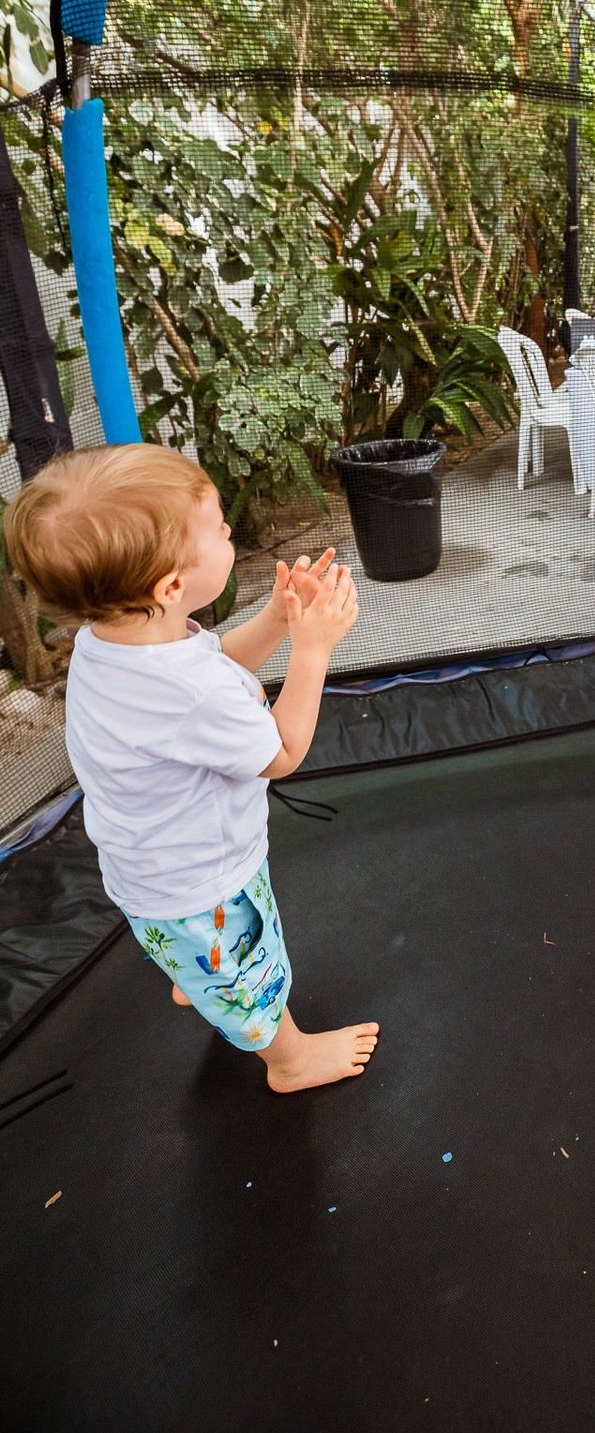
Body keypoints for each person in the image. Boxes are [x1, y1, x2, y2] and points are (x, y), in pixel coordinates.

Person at [2, 442, 380, 1093]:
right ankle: (287, 1060)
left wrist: (277, 617)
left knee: (204, 959)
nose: (231, 531)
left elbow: (220, 665)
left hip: (148, 869)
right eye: (220, 532)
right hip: (202, 884)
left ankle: (194, 972)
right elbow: (281, 753)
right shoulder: (186, 691)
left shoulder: (109, 638)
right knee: (251, 972)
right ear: (172, 586)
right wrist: (313, 651)